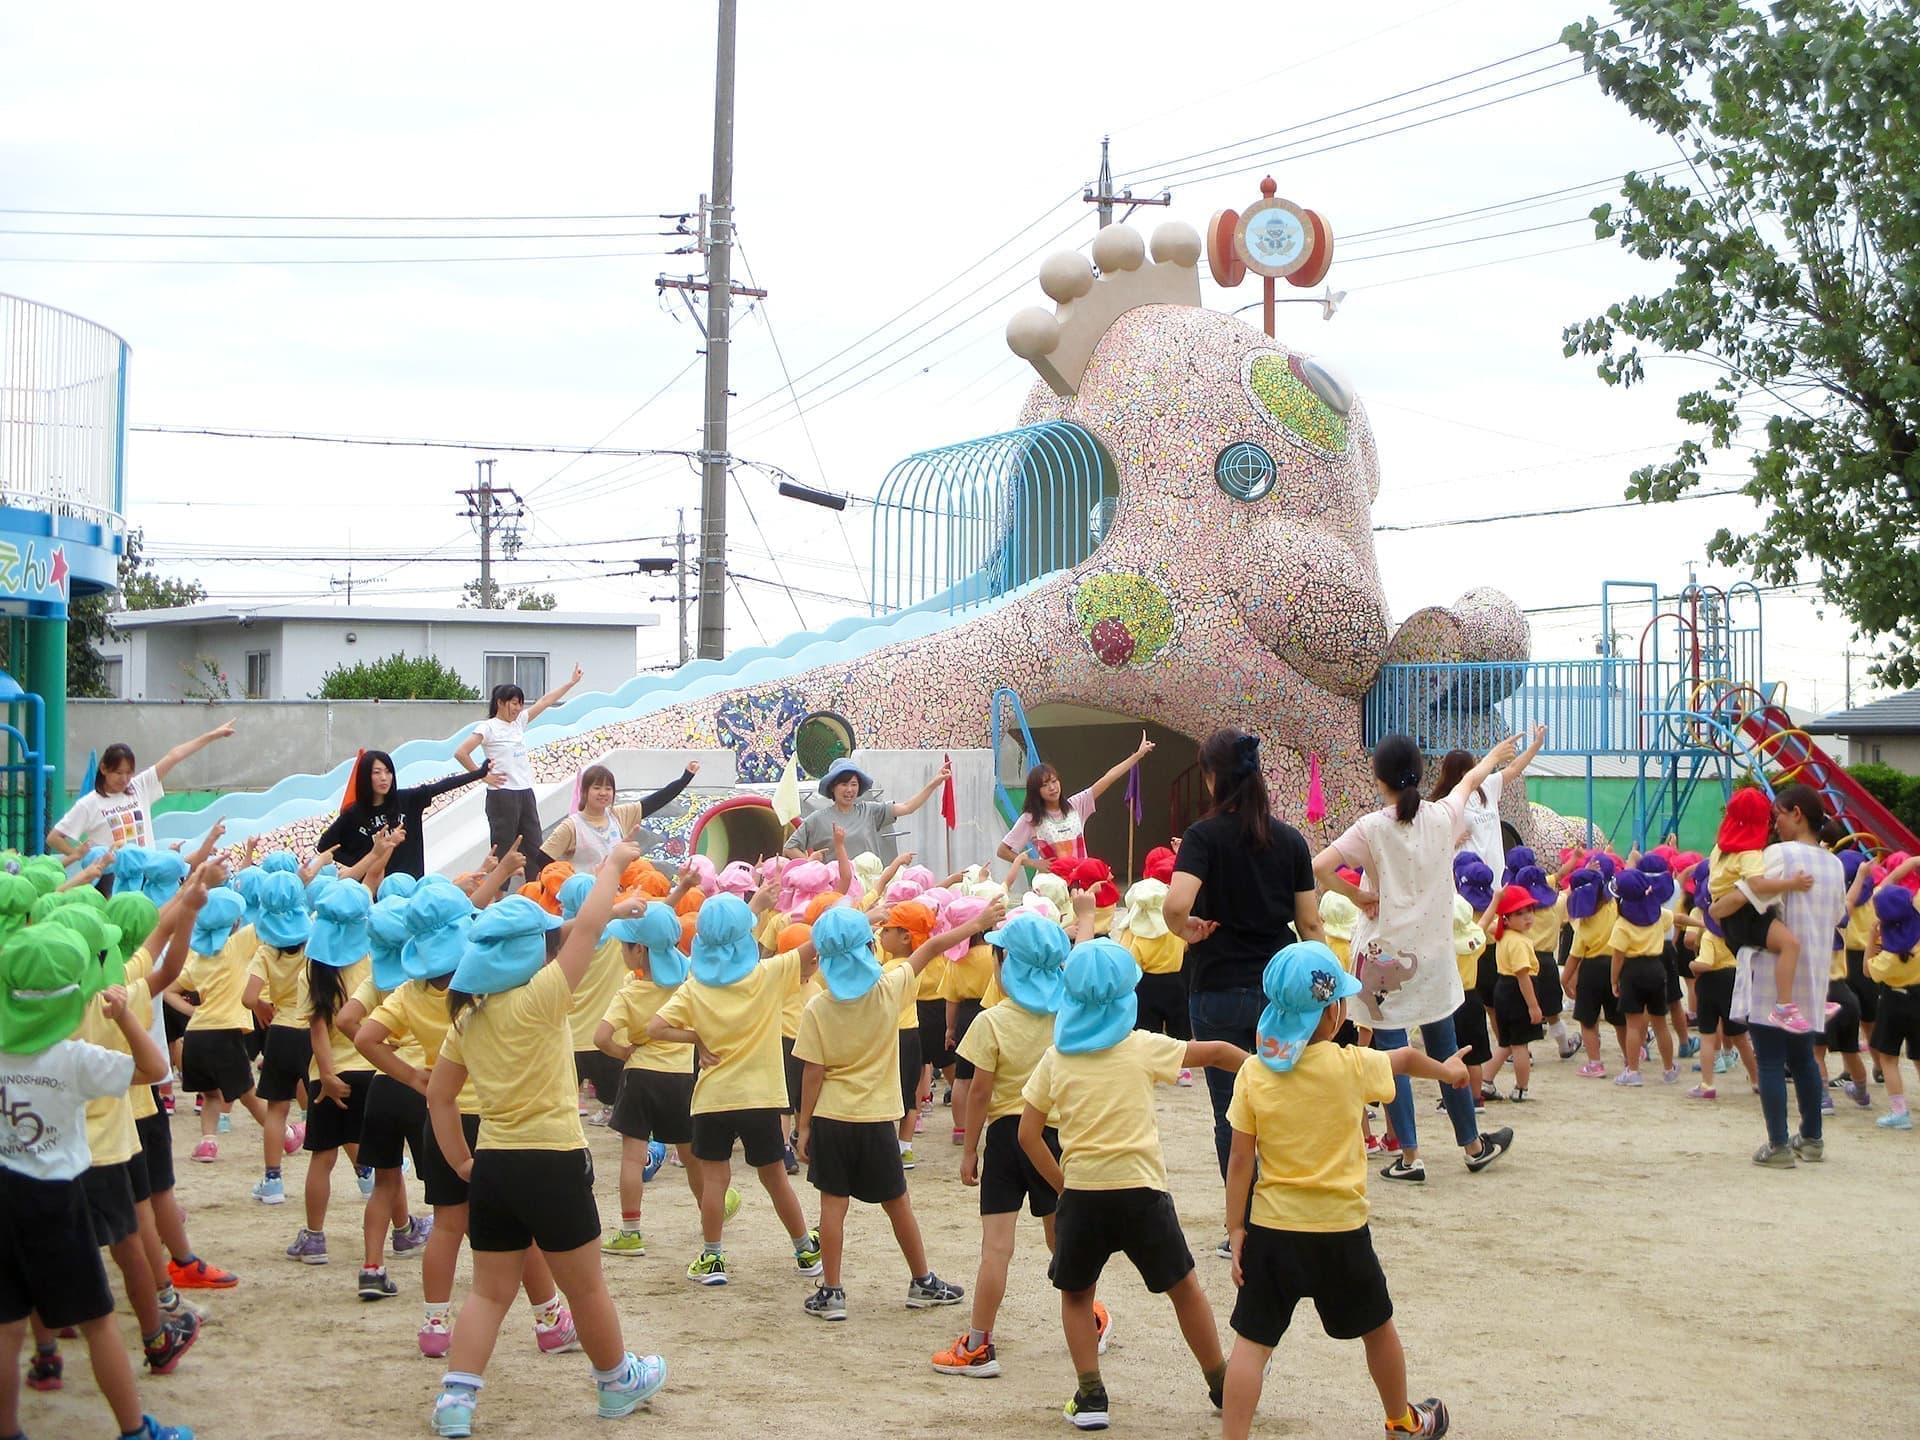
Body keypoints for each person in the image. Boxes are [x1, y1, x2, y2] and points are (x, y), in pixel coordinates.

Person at [428, 857, 668, 1437]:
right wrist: (613, 862)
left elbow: (439, 1096)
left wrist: (463, 1158)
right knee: (585, 1288)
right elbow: (584, 929)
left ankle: (456, 1401)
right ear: (530, 952)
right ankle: (616, 1382)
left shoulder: (470, 1016)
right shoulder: (541, 996)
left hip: (494, 1165)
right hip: (553, 1161)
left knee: (488, 1293)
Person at [1220, 941, 1462, 1440]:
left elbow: (1241, 1158)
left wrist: (1236, 1227)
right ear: (1332, 1014)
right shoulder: (1352, 1065)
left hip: (1272, 1229)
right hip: (1341, 1230)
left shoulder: (1253, 1073)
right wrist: (1449, 1071)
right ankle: (1401, 1421)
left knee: (1251, 1344)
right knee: (1379, 1329)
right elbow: (1406, 1058)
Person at [1019, 938, 1249, 1430]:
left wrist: (1063, 1185)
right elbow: (1213, 1053)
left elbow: (1027, 1133)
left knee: (1078, 1295)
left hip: (1082, 1195)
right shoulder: (1142, 1046)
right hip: (1143, 1192)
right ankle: (1221, 1383)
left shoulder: (1056, 1058)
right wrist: (1258, 1067)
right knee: (1184, 1288)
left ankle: (1091, 1395)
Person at [0, 924, 195, 1440]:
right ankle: (135, 1430)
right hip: (56, 1198)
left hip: (3, 1188)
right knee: (98, 1319)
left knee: (6, 1324)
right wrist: (127, 1015)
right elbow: (154, 1068)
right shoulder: (72, 1059)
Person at [1314, 734, 1516, 1184]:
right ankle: (1472, 1144)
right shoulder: (1443, 816)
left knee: (1391, 1054)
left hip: (1380, 957)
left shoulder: (1371, 827)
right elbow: (1471, 780)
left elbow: (1320, 866)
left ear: (1378, 777)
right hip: (1432, 957)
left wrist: (1360, 895)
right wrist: (1495, 757)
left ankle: (1409, 1154)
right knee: (1447, 1050)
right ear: (1421, 775)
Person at [932, 904, 1112, 1380]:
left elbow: (980, 1092)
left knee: (996, 1248)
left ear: (1006, 964)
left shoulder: (990, 1021)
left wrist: (971, 1149)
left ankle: (977, 1344)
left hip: (1008, 1136)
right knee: (1062, 1238)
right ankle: (1089, 1317)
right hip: (1054, 1135)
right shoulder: (1069, 1017)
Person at [792, 902, 992, 1320]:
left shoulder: (818, 1008)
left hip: (832, 1116)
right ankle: (922, 1281)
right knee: (897, 1202)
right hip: (877, 1118)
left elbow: (813, 1072)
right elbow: (933, 945)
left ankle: (832, 1292)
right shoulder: (889, 987)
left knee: (833, 1205)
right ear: (869, 947)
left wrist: (804, 1125)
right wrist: (976, 924)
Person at [1162, 729, 1321, 1204]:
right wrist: (1331, 989)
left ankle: (1243, 1221)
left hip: (1217, 989)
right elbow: (1310, 923)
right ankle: (1284, 1209)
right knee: (1284, 1102)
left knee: (1231, 1111)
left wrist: (1184, 928)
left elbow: (1174, 905)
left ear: (1212, 777)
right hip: (1282, 993)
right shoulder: (1290, 840)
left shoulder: (1202, 836)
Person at [647, 891, 825, 1287]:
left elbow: (654, 1027)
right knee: (775, 1177)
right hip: (761, 1096)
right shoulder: (766, 974)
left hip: (712, 1097)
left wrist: (695, 1038)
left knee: (715, 1181)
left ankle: (712, 1258)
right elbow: (810, 947)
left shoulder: (695, 985)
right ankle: (804, 1249)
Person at [596, 903, 739, 1257]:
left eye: (625, 945)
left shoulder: (630, 992)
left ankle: (631, 1231)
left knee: (633, 1157)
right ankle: (712, 1211)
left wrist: (622, 1052)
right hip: (679, 1079)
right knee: (692, 1157)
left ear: (640, 950)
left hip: (639, 1077)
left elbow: (601, 1037)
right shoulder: (690, 979)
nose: (622, 950)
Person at [1724, 784, 1845, 1168]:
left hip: (1772, 971)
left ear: (1797, 814)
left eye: (1778, 813)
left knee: (1771, 1060)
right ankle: (1811, 1137)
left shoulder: (1778, 855)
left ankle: (1777, 1143)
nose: (1773, 822)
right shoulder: (1835, 863)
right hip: (1813, 973)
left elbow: (1747, 897)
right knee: (1805, 1058)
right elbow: (1838, 914)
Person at [453, 667, 585, 872]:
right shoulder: (488, 727)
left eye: (520, 704)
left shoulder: (519, 723)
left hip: (525, 792)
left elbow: (545, 701)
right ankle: (497, 894)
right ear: (500, 703)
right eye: (514, 703)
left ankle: (535, 889)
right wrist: (483, 776)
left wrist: (572, 683)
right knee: (502, 847)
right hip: (502, 795)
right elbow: (461, 752)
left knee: (535, 845)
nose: (517, 708)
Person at [46, 722, 238, 862]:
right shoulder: (90, 803)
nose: (124, 779)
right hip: (112, 878)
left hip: (147, 872)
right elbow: (54, 837)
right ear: (104, 769)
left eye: (129, 773)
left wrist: (214, 734)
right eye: (118, 773)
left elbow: (175, 755)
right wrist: (80, 855)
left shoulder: (139, 787)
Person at [1709, 787, 1813, 1032]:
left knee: (1788, 948)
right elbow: (1756, 885)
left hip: (1731, 920)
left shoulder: (1720, 850)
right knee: (1792, 944)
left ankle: (1798, 1001)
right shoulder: (1750, 853)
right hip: (1746, 916)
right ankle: (1785, 1006)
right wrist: (1792, 883)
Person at [316, 750, 492, 878]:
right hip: (376, 891)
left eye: (388, 771)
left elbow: (442, 786)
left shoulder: (407, 799)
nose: (384, 777)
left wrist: (479, 773)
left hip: (411, 884)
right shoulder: (354, 813)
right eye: (377, 773)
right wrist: (363, 863)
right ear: (364, 777)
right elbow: (325, 845)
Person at [995, 735, 1155, 876]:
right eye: (1045, 785)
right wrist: (1033, 863)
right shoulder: (1031, 818)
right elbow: (1003, 851)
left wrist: (1138, 755)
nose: (1052, 787)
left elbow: (1108, 778)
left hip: (1080, 880)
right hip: (1051, 887)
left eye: (1054, 781)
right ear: (1036, 791)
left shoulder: (1077, 805)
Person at [1431, 724, 1547, 880]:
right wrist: (1451, 841)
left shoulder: (1487, 786)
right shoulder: (1447, 803)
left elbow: (1514, 768)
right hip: (1468, 879)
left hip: (1496, 875)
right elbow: (1431, 843)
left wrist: (1536, 745)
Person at [541, 761, 700, 872]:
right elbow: (541, 859)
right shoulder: (571, 826)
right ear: (584, 792)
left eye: (608, 788)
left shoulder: (618, 815)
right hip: (586, 898)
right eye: (597, 788)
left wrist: (685, 778)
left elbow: (656, 801)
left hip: (617, 892)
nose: (603, 793)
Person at [786, 757, 951, 861]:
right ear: (832, 788)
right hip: (836, 891)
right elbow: (789, 847)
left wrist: (934, 783)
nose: (849, 790)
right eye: (844, 784)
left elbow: (908, 807)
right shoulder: (818, 819)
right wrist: (810, 865)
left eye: (854, 784)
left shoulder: (870, 811)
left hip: (870, 889)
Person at [1607, 869, 1680, 1088]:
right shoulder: (1657, 913)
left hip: (1632, 971)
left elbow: (1618, 957)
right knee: (1660, 1023)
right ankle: (1669, 1069)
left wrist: (1614, 981)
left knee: (1633, 1025)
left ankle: (1633, 1071)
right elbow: (1674, 918)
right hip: (1656, 968)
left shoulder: (1622, 924)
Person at [1479, 886, 1544, 1101]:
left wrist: (1497, 904)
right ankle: (1521, 1087)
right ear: (1506, 919)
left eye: (1529, 911)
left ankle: (1486, 1081)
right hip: (1517, 992)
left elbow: (1489, 925)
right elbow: (1523, 977)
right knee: (1520, 1045)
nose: (1527, 917)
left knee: (1506, 1043)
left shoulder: (1502, 933)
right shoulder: (1517, 942)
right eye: (1519, 913)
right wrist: (1533, 1006)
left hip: (1503, 991)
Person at [1868, 882, 1920, 1131]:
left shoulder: (1888, 955)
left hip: (1893, 1002)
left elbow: (1868, 970)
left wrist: (1871, 940)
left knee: (1888, 1057)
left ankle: (1900, 1112)